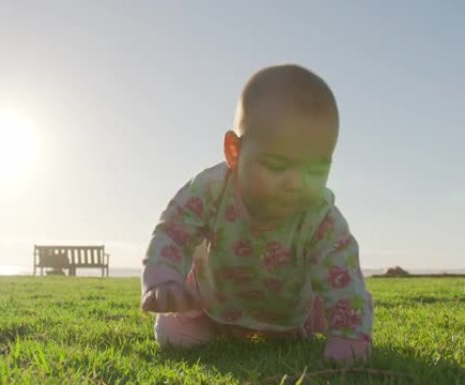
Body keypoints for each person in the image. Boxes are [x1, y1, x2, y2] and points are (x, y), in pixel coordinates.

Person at [140, 64, 373, 364]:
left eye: (316, 169)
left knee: (297, 337)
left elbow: (344, 281)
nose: (296, 183)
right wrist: (163, 279)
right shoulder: (212, 190)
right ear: (234, 152)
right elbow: (174, 229)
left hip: (285, 314)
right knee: (174, 338)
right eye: (277, 166)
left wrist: (349, 342)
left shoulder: (321, 218)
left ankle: (293, 329)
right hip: (210, 302)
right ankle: (199, 320)